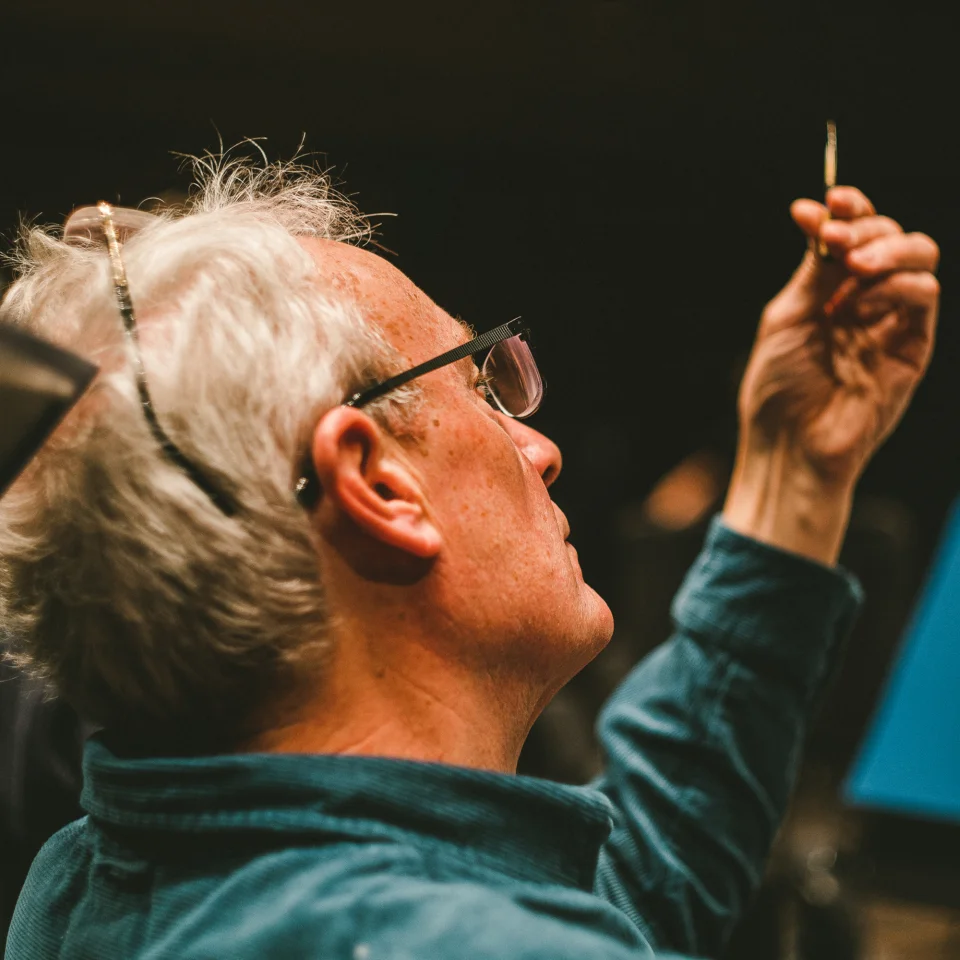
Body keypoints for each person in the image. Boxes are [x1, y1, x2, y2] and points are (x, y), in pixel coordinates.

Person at [0, 157, 939, 960]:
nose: (542, 449)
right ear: (376, 483)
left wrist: (793, 472)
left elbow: (622, 890)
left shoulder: (91, 872)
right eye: (481, 385)